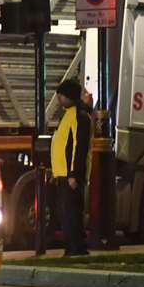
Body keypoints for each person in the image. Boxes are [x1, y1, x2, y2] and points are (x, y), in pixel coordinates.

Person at [50, 77, 93, 256]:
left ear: (69, 97)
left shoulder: (78, 116)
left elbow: (79, 146)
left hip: (70, 175)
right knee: (66, 213)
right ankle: (73, 247)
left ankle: (75, 248)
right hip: (64, 173)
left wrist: (74, 173)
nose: (58, 98)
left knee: (71, 213)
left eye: (61, 95)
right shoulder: (69, 115)